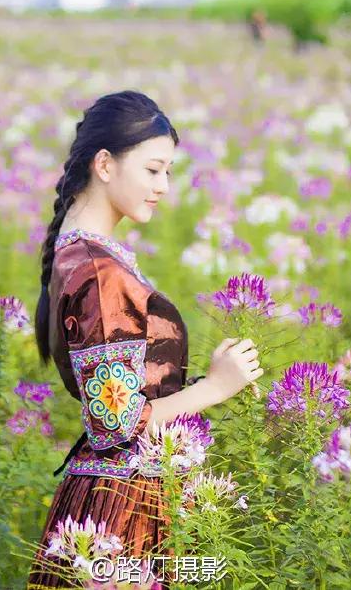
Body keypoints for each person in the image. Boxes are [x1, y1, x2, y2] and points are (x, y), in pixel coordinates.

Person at [26, 90, 264, 588]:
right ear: (105, 165)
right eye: (153, 170)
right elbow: (114, 423)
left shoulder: (83, 255)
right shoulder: (99, 272)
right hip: (125, 510)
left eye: (169, 172)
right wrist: (217, 387)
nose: (163, 186)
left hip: (113, 496)